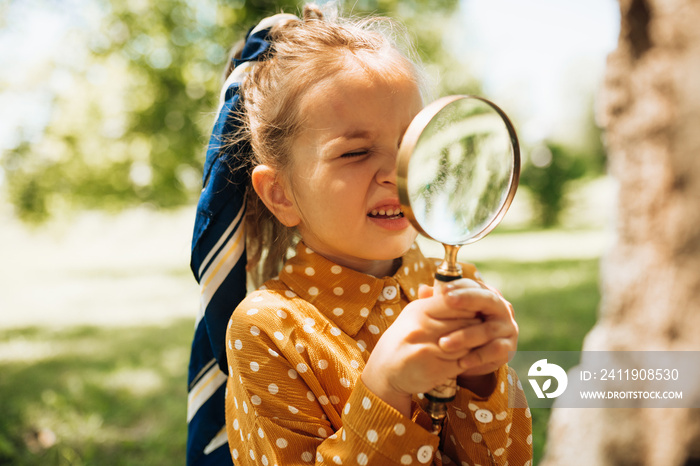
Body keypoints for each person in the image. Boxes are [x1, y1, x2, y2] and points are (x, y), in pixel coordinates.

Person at [195, 4, 533, 465]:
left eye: (410, 143)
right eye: (355, 153)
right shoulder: (268, 329)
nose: (395, 171)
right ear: (280, 194)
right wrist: (387, 389)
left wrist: (483, 381)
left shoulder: (455, 286)